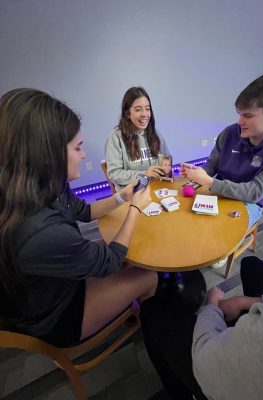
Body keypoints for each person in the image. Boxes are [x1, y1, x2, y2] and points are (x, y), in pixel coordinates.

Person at [0, 88, 158, 347]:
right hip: (56, 314)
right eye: (78, 147)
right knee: (147, 274)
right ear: (48, 156)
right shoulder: (41, 232)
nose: (84, 155)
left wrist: (123, 197)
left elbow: (82, 211)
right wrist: (136, 209)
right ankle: (150, 329)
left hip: (53, 279)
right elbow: (109, 263)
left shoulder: (42, 184)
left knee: (131, 254)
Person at [140, 256, 263, 400]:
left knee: (151, 310)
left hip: (218, 369)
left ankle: (186, 392)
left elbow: (205, 354)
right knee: (251, 264)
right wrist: (241, 302)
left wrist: (212, 305)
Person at [181, 72, 263, 229]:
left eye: (248, 116)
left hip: (249, 202)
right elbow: (211, 166)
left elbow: (254, 192)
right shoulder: (230, 132)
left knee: (215, 234)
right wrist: (196, 174)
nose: (240, 121)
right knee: (186, 218)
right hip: (219, 190)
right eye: (239, 114)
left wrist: (209, 182)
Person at [105, 87, 171, 190]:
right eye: (138, 109)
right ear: (127, 113)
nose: (144, 114)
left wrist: (166, 167)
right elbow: (114, 173)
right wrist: (144, 174)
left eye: (147, 109)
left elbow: (166, 159)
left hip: (157, 189)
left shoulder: (156, 134)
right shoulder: (115, 137)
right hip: (131, 195)